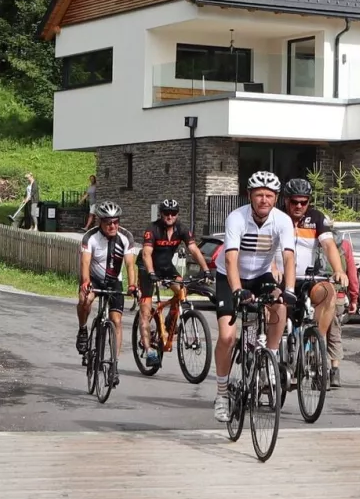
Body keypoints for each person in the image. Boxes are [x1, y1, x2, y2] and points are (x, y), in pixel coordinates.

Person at [212, 171, 297, 422]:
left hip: (260, 275)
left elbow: (289, 256)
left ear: (276, 198)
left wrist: (289, 289)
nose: (264, 200)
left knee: (280, 307)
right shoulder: (236, 217)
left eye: (269, 195)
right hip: (229, 276)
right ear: (250, 195)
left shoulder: (282, 221)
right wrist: (237, 290)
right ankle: (221, 394)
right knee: (228, 338)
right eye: (259, 195)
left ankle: (268, 359)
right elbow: (230, 258)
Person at [279, 179, 348, 362]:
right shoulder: (276, 216)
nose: (299, 206)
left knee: (328, 292)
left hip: (306, 278)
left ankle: (314, 340)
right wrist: (271, 267)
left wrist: (339, 270)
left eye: (304, 201)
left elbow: (328, 245)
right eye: (294, 201)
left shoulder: (316, 217)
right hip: (280, 278)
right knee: (271, 310)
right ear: (286, 200)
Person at [136, 199, 207, 366]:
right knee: (145, 309)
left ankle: (169, 323)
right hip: (147, 269)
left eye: (173, 213)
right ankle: (149, 350)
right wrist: (152, 273)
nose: (169, 216)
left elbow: (193, 249)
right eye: (166, 213)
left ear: (177, 214)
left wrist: (205, 269)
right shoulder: (152, 229)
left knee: (182, 290)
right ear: (161, 214)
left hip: (167, 267)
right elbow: (146, 254)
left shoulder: (181, 229)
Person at [75, 202, 133, 362]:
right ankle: (82, 329)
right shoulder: (90, 237)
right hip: (94, 279)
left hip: (114, 281)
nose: (113, 226)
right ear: (101, 222)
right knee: (84, 300)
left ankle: (114, 364)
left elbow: (129, 264)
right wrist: (86, 282)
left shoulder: (126, 237)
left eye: (116, 222)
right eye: (108, 223)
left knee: (116, 320)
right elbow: (85, 262)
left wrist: (133, 285)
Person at [324, 228, 360, 388]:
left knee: (314, 332)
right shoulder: (344, 245)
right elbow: (352, 274)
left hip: (316, 294)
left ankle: (315, 367)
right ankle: (334, 371)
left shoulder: (316, 243)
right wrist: (354, 298)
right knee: (334, 334)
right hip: (338, 296)